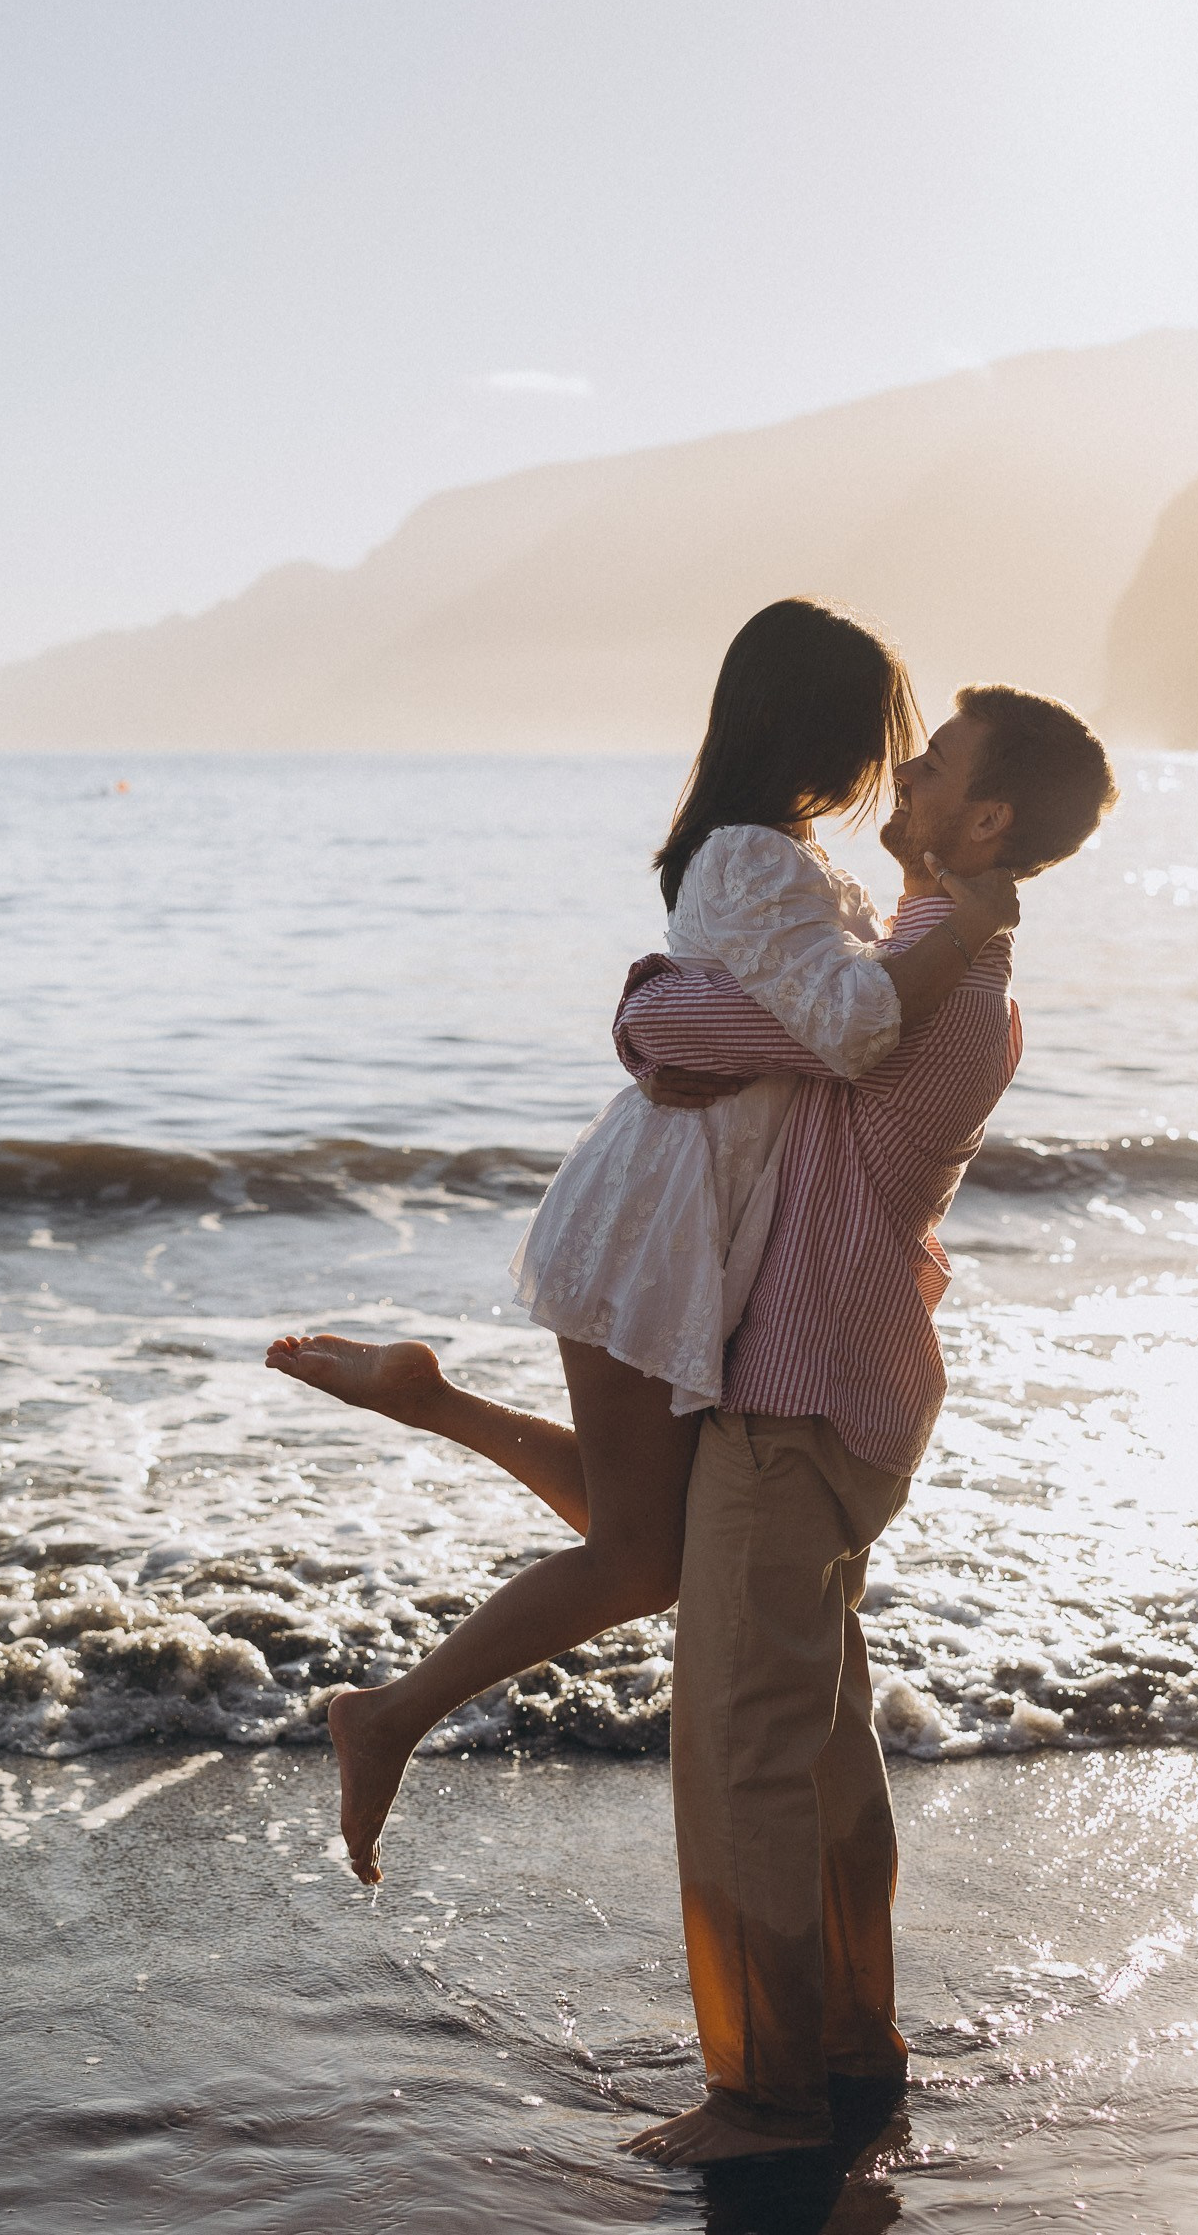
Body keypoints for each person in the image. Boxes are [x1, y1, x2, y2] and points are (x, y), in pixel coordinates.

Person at [272, 680, 1116, 2171]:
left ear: (984, 818)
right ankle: (848, 2047)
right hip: (819, 1389)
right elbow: (704, 1032)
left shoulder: (928, 972)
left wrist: (644, 995)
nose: (903, 773)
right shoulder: (932, 958)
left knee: (745, 1759)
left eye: (937, 765)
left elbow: (674, 1023)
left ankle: (766, 2097)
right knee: (818, 1748)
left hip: (800, 1397)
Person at [267, 602, 1022, 1886]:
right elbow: (846, 1031)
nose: (885, 768)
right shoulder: (750, 856)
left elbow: (797, 1024)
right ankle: (384, 1716)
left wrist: (672, 1017)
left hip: (696, 1223)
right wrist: (961, 922)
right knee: (644, 1554)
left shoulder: (791, 867)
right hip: (656, 1225)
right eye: (874, 737)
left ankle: (428, 1404)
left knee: (655, 1545)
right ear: (812, 730)